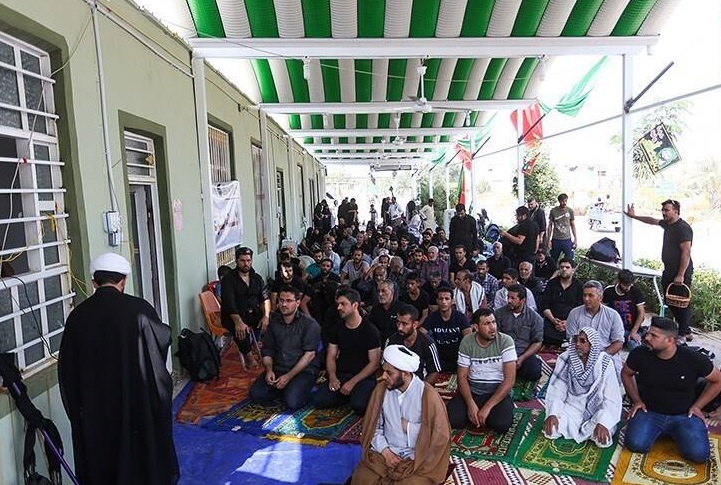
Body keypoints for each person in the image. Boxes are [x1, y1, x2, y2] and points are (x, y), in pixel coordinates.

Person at [58, 253, 179, 485]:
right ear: (123, 281)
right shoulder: (139, 309)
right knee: (138, 458)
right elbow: (162, 339)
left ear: (94, 282)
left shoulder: (77, 316)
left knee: (102, 460)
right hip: (135, 402)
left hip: (96, 408)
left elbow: (68, 369)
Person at [622, 317, 721, 463]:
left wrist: (698, 406)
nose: (647, 338)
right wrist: (636, 400)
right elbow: (626, 373)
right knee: (635, 444)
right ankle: (667, 433)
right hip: (649, 412)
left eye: (654, 335)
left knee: (699, 455)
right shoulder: (639, 354)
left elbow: (718, 380)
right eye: (648, 333)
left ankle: (675, 432)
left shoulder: (692, 358)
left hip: (684, 415)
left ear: (670, 340)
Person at [350, 345, 451, 485]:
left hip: (417, 457)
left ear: (405, 374)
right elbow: (374, 428)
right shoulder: (381, 390)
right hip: (385, 451)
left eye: (389, 373)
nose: (383, 376)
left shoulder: (428, 395)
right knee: (362, 478)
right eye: (383, 371)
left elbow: (439, 436)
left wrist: (408, 427)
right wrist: (386, 452)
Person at [625, 199, 694, 342]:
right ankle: (686, 328)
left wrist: (680, 274)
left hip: (681, 271)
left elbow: (686, 252)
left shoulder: (683, 228)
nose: (663, 213)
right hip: (668, 270)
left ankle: (682, 333)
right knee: (670, 301)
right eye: (663, 210)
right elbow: (651, 220)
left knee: (682, 302)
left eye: (667, 210)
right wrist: (634, 216)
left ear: (676, 211)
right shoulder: (667, 224)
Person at [543, 327, 622, 448]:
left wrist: (603, 422)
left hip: (597, 410)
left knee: (603, 441)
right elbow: (557, 389)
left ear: (592, 344)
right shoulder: (566, 358)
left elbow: (612, 398)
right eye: (576, 340)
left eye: (582, 341)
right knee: (551, 431)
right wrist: (553, 413)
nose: (578, 344)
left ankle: (597, 427)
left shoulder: (604, 363)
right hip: (572, 408)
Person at [249, 286, 322, 410]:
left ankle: (292, 389)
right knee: (256, 394)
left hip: (302, 371)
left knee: (292, 403)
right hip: (279, 368)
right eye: (281, 300)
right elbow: (268, 349)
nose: (284, 304)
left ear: (297, 303)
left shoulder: (310, 324)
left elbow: (309, 355)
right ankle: (285, 389)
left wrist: (288, 377)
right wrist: (269, 370)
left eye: (289, 301)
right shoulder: (274, 323)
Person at [313, 287, 381, 415]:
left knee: (359, 406)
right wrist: (332, 377)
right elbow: (331, 355)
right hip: (342, 374)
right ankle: (346, 395)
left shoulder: (370, 331)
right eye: (338, 304)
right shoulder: (337, 328)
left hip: (363, 377)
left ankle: (353, 395)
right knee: (319, 400)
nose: (339, 307)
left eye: (343, 304)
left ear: (355, 305)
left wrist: (353, 382)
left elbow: (374, 363)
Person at [447, 309, 517, 433]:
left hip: (497, 393)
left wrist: (487, 407)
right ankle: (477, 415)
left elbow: (509, 380)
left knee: (501, 425)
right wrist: (470, 404)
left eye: (493, 322)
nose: (493, 328)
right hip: (473, 391)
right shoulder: (467, 342)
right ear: (476, 327)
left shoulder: (506, 341)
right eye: (487, 324)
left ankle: (483, 415)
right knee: (453, 420)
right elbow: (462, 377)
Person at [221, 247, 271, 369]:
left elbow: (265, 299)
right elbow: (229, 303)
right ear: (236, 261)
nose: (246, 263)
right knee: (240, 329)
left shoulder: (257, 278)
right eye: (242, 261)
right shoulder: (228, 280)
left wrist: (266, 316)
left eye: (248, 260)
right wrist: (238, 322)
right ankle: (249, 358)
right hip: (234, 315)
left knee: (275, 320)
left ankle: (260, 344)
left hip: (253, 312)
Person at [566, 281, 625, 377]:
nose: (586, 299)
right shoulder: (574, 314)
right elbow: (572, 340)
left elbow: (618, 343)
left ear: (600, 298)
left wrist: (600, 357)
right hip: (579, 355)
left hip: (605, 356)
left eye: (590, 295)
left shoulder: (613, 315)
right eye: (584, 295)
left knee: (614, 373)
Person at [494, 284, 544, 385]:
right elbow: (493, 336)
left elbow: (537, 342)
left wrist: (522, 358)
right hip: (502, 353)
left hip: (522, 354)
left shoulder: (535, 318)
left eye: (513, 298)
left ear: (523, 300)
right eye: (508, 297)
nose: (509, 301)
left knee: (533, 372)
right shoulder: (499, 314)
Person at [386, 304, 441, 385]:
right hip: (395, 383)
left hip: (419, 382)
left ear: (415, 325)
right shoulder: (391, 341)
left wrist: (418, 388)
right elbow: (384, 367)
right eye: (398, 322)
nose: (399, 328)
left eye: (404, 324)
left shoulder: (428, 343)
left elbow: (434, 372)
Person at [422, 287, 471, 372]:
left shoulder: (461, 318)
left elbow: (469, 339)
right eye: (441, 299)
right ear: (437, 301)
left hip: (459, 359)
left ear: (452, 301)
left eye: (447, 299)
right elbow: (420, 335)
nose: (443, 302)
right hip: (438, 358)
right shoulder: (431, 318)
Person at [539, 258, 584, 346]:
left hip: (571, 322)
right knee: (542, 336)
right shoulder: (552, 283)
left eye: (567, 267)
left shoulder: (579, 286)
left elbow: (580, 308)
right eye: (562, 267)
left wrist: (567, 322)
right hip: (551, 321)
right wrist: (553, 320)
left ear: (573, 269)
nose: (564, 269)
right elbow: (544, 305)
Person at [603, 269, 646, 350]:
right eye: (625, 285)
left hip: (631, 329)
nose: (628, 288)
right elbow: (602, 310)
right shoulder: (609, 291)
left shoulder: (636, 291)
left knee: (635, 347)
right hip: (614, 330)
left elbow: (641, 312)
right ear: (619, 282)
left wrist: (634, 331)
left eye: (629, 285)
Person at [548, 193, 577, 262]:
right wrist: (548, 239)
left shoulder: (570, 211)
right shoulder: (553, 211)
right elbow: (550, 226)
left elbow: (573, 225)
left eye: (566, 201)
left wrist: (575, 238)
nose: (564, 203)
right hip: (556, 239)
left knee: (569, 260)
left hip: (567, 239)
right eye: (562, 201)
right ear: (559, 201)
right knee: (553, 260)